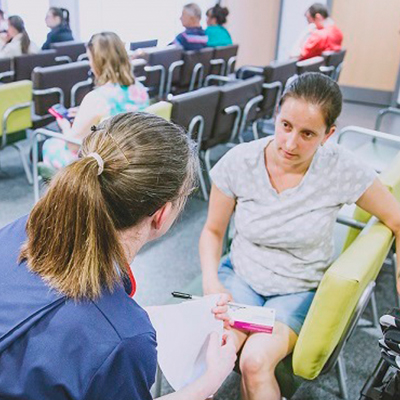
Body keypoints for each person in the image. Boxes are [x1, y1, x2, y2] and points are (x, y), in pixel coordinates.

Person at [0, 112, 236, 399]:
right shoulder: (125, 342)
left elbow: (48, 312)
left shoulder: (22, 230)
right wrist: (210, 380)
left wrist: (142, 316)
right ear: (161, 214)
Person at [199, 72, 400, 400]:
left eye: (308, 134)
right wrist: (211, 280)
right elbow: (212, 230)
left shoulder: (339, 167)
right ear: (276, 117)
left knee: (255, 360)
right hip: (240, 278)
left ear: (328, 134)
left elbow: (396, 220)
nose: (290, 143)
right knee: (216, 355)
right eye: (286, 126)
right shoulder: (240, 161)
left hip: (297, 289)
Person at [42, 31, 149, 170]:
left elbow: (72, 145)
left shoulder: (97, 98)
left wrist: (65, 126)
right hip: (132, 156)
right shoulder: (140, 89)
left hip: (102, 164)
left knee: (48, 144)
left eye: (90, 59)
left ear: (98, 61)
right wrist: (84, 113)